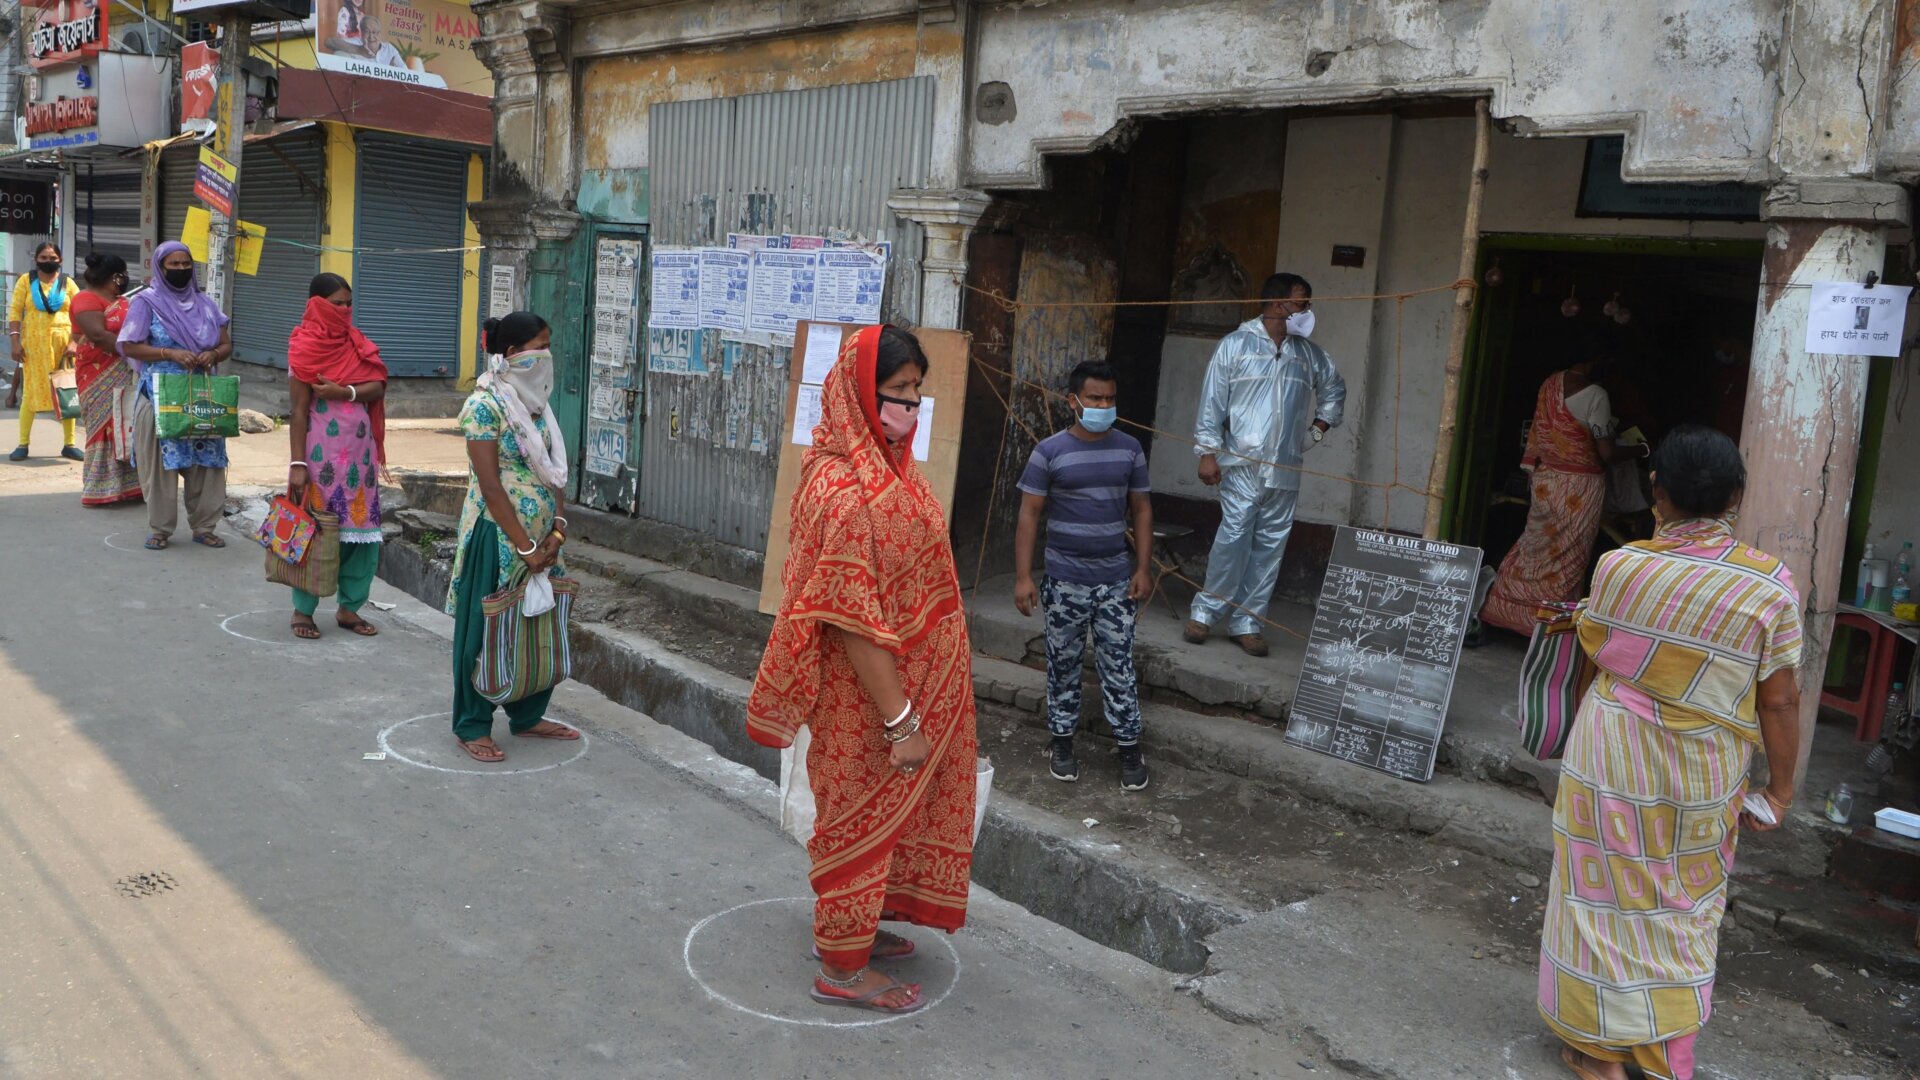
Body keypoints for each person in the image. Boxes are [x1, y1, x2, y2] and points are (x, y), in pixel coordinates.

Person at [1540, 425, 1803, 1080]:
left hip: (1611, 757)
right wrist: (1780, 792)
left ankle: (1597, 1050)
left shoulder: (1622, 566)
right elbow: (1779, 701)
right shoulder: (1770, 586)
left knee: (1596, 897)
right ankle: (1663, 1052)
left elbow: (1602, 638)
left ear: (1657, 492)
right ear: (1736, 497)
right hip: (1702, 770)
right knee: (1682, 903)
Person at [747, 325, 978, 1016]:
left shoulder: (887, 469)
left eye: (916, 391)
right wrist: (902, 720)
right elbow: (851, 620)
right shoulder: (845, 489)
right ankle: (843, 969)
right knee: (857, 820)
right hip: (869, 706)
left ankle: (863, 926)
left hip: (904, 693)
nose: (911, 405)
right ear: (857, 391)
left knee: (885, 821)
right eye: (899, 391)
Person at [1186, 272, 1345, 657]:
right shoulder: (1235, 346)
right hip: (1241, 464)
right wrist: (1207, 452)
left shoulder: (1308, 354)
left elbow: (1334, 389)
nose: (1307, 311)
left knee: (1270, 547)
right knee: (1233, 538)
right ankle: (1205, 613)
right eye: (1302, 303)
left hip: (1286, 469)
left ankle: (1247, 623)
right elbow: (1212, 402)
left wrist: (1316, 432)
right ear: (1279, 305)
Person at [445, 311, 579, 762]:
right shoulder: (484, 406)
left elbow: (552, 469)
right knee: (484, 631)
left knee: (537, 624)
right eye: (539, 345)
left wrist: (557, 529)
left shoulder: (536, 404)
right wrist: (525, 547)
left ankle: (527, 715)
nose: (546, 354)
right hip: (498, 537)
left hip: (543, 537)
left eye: (548, 344)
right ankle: (472, 724)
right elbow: (490, 486)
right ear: (511, 354)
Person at [1013, 359, 1153, 790]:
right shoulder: (1049, 451)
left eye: (1110, 398)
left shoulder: (1130, 448)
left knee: (1119, 667)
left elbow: (1142, 508)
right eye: (1095, 398)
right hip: (1064, 582)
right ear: (1073, 401)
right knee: (1062, 666)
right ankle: (1061, 744)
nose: (1103, 405)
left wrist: (1143, 568)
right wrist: (1023, 577)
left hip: (1115, 581)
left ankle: (1130, 750)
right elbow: (1029, 515)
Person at [1478, 340, 1651, 638]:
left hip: (1547, 481)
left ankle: (1505, 609)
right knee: (1570, 556)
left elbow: (1539, 430)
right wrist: (1641, 450)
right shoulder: (1597, 395)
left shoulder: (1549, 383)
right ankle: (1549, 625)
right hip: (1579, 488)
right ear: (1595, 360)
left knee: (1534, 548)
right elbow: (1607, 452)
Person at [287, 273, 389, 640]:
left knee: (361, 535)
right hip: (320, 457)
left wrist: (343, 390)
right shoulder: (302, 349)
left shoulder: (356, 343)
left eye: (349, 303)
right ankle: (304, 610)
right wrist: (297, 464)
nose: (345, 310)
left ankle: (350, 610)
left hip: (361, 461)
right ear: (317, 305)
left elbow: (377, 384)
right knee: (316, 533)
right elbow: (298, 411)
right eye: (337, 303)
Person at [117, 242, 233, 550]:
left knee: (207, 463)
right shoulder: (146, 303)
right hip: (160, 396)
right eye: (174, 264)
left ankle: (204, 526)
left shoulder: (205, 304)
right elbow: (129, 345)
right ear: (160, 267)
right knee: (159, 465)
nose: (181, 270)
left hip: (202, 396)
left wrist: (213, 354)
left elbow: (225, 344)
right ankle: (160, 528)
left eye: (186, 264)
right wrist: (168, 352)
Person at [67, 252, 142, 506]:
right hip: (98, 371)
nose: (126, 280)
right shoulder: (85, 299)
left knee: (129, 422)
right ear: (113, 277)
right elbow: (98, 335)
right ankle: (100, 488)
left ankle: (133, 487)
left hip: (128, 369)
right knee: (104, 425)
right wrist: (137, 353)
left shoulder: (123, 301)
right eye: (122, 275)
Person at [7, 241, 81, 462]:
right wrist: (15, 342)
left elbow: (81, 312)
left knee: (67, 393)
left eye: (52, 258)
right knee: (30, 394)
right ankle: (23, 444)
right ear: (36, 260)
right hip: (34, 348)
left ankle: (69, 444)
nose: (48, 262)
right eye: (44, 258)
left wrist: (75, 342)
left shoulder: (68, 283)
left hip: (64, 349)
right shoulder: (26, 281)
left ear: (60, 260)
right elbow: (14, 311)